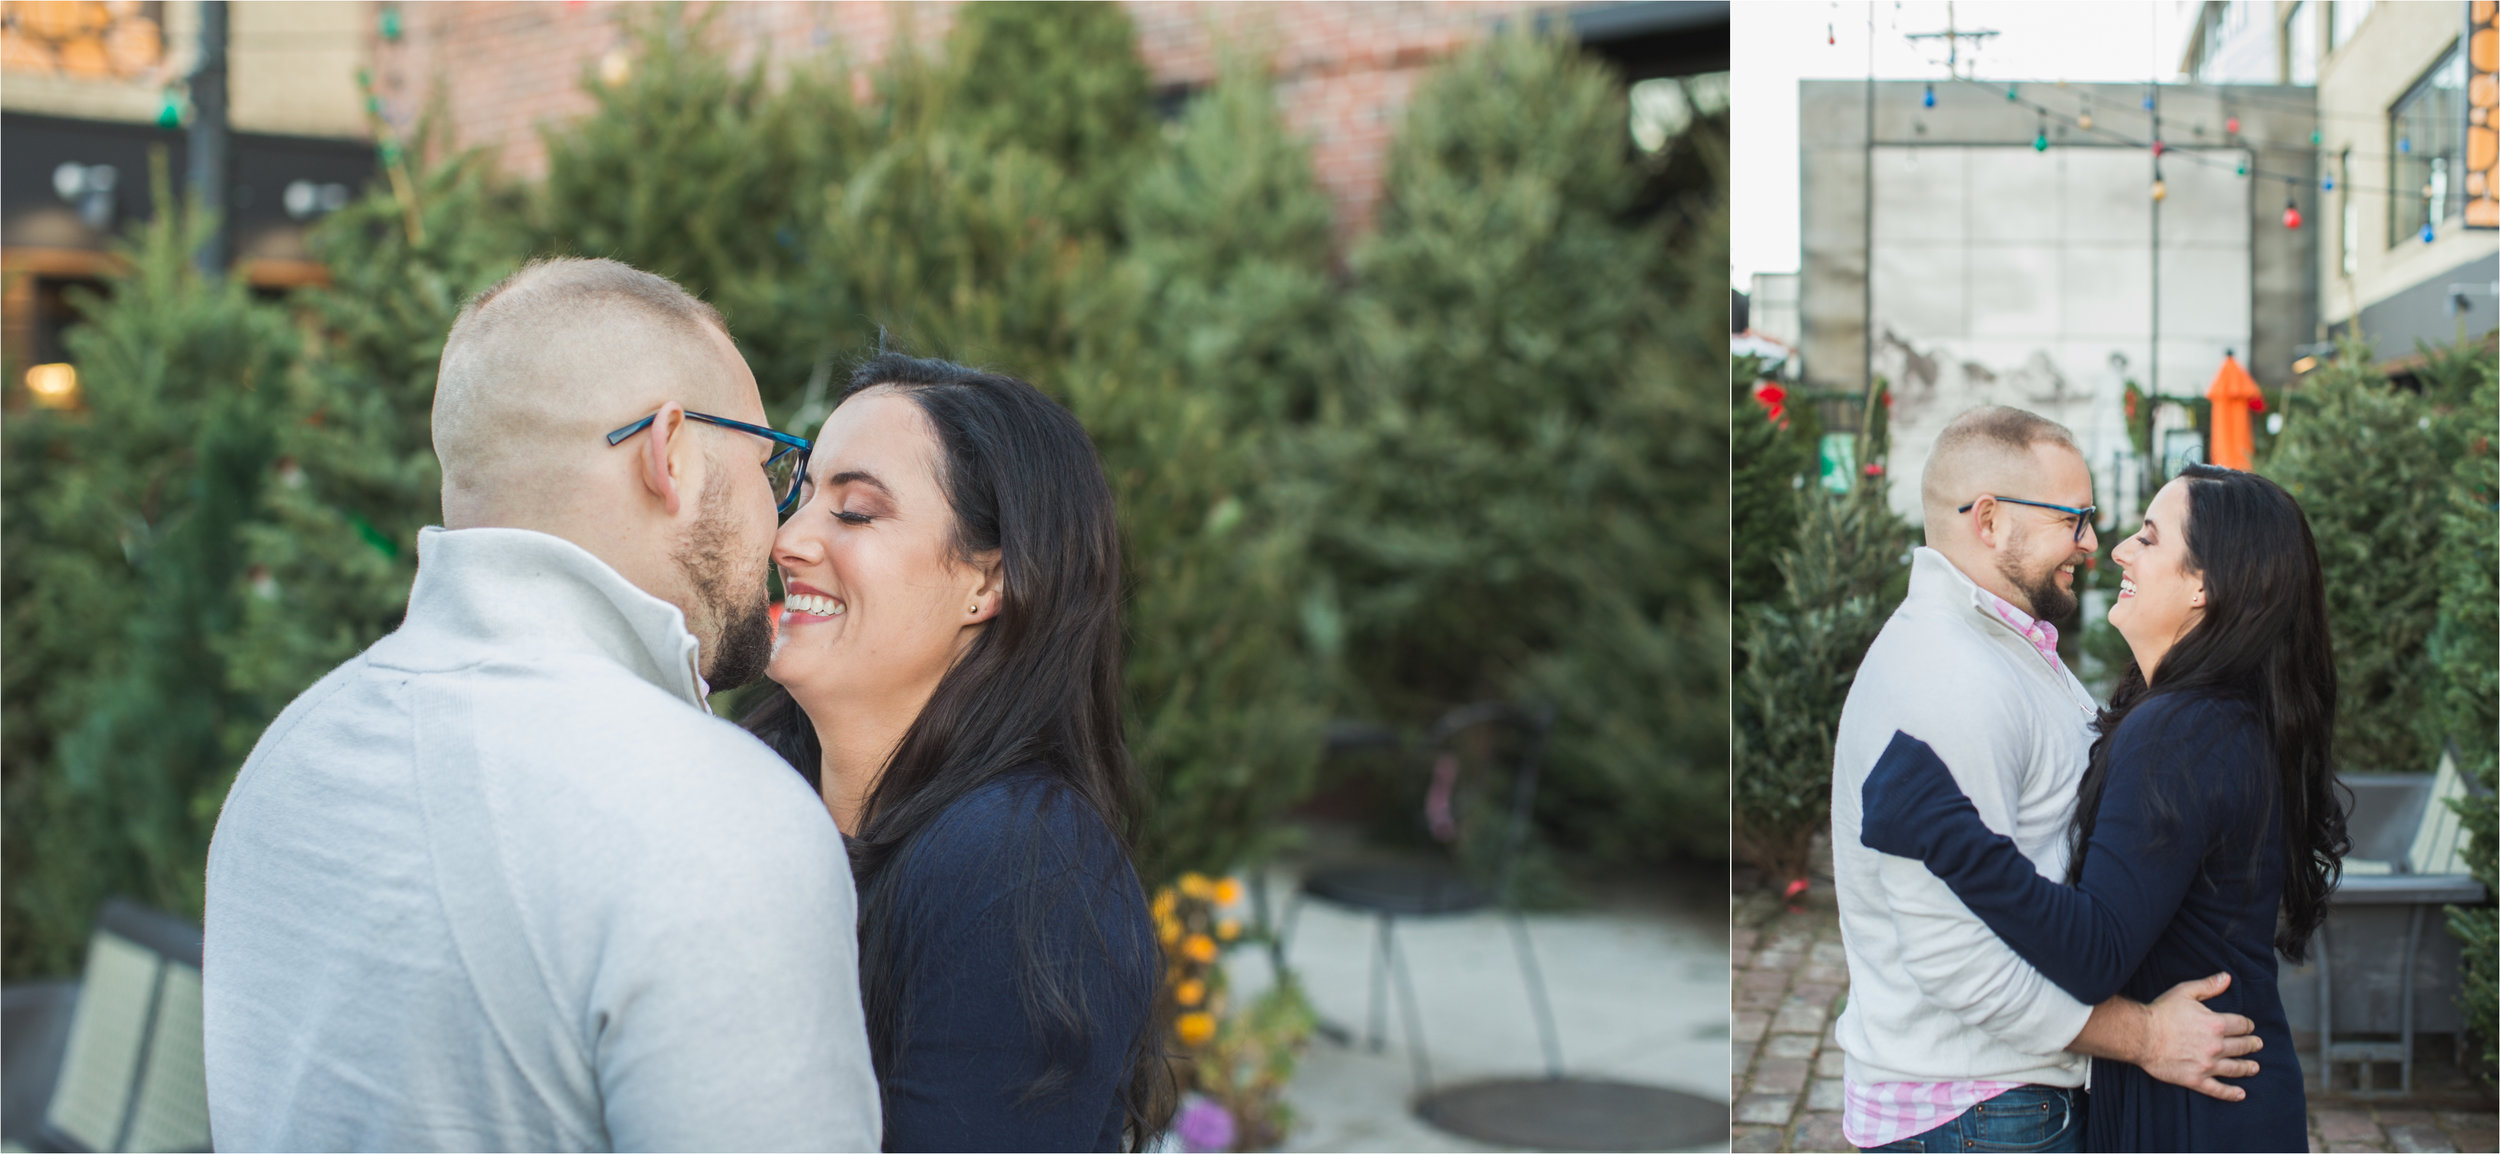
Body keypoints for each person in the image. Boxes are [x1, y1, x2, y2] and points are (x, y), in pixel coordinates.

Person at [204, 258, 880, 1151]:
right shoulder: (714, 817)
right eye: (769, 466)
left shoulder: (290, 757)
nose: (782, 526)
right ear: (669, 453)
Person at [741, 354, 1174, 1152]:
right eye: (798, 496)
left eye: (857, 512)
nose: (787, 537)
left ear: (989, 584)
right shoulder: (748, 792)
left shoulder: (1017, 873)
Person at [1861, 463, 2343, 1152]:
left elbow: (2095, 952)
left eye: (2147, 538)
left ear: (2204, 584)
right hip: (2214, 1096)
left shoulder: (2182, 729)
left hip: (2198, 1114)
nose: (2116, 549)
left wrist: (1941, 827)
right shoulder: (2212, 715)